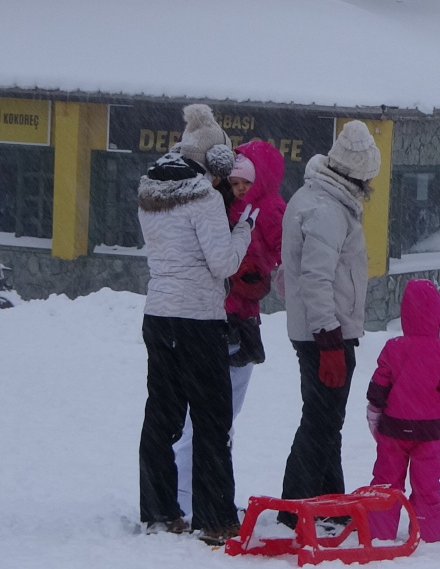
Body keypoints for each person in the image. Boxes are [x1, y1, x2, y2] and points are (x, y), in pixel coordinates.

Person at [136, 104, 255, 543]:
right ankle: (216, 518)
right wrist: (243, 229)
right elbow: (222, 262)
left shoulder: (150, 190)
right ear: (214, 160)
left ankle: (159, 511)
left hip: (159, 314)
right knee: (211, 419)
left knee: (161, 415)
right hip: (198, 319)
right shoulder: (202, 196)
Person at [174, 141, 286, 518]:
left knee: (216, 418)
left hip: (233, 321)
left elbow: (276, 255)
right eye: (234, 182)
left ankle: (205, 493)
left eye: (244, 182)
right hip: (223, 321)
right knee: (211, 417)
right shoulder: (233, 206)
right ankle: (192, 495)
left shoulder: (257, 209)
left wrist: (259, 272)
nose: (237, 188)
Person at [278, 120, 381, 525]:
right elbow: (315, 279)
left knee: (326, 422)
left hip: (319, 330)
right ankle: (295, 509)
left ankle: (330, 504)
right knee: (320, 423)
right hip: (325, 334)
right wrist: (329, 338)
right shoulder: (327, 211)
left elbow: (295, 274)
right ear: (357, 176)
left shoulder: (314, 198)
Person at [365, 279, 440, 543]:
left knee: (386, 481)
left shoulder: (394, 348)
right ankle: (426, 531)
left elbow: (380, 384)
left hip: (393, 428)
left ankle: (381, 531)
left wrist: (374, 411)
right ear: (438, 316)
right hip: (428, 432)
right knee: (427, 485)